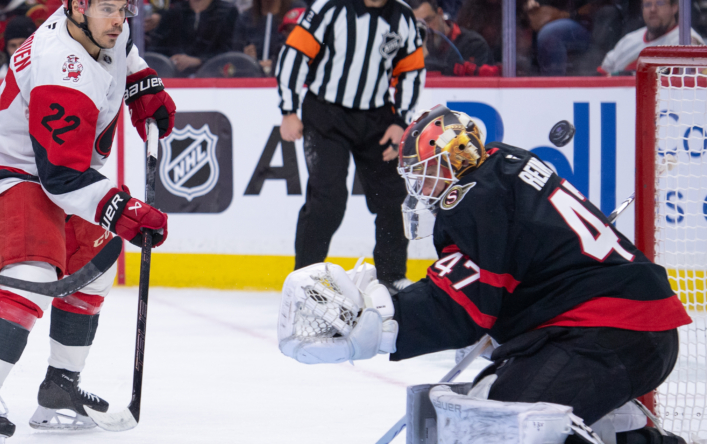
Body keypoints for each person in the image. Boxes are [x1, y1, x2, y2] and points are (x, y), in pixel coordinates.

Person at [277, 106, 691, 443]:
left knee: (507, 426)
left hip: (608, 331)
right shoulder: (505, 164)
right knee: (493, 401)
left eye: (426, 170)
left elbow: (461, 306)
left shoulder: (475, 195)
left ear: (455, 156)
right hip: (617, 329)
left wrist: (386, 320)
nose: (420, 186)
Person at [0, 0, 176, 442]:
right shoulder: (59, 68)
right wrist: (122, 210)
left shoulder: (103, 27)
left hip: (64, 169)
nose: (120, 19)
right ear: (76, 8)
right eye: (109, 8)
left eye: (125, 7)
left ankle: (59, 390)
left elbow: (124, 52)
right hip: (19, 170)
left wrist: (142, 84)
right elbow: (62, 178)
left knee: (95, 271)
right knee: (32, 272)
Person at [276, 0, 425, 294]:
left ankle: (391, 277)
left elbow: (411, 70)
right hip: (326, 114)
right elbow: (294, 53)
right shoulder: (330, 6)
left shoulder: (403, 15)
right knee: (327, 200)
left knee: (394, 198)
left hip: (378, 118)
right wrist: (288, 110)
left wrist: (401, 121)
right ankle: (304, 279)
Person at [599, 0, 704, 75]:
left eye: (660, 3)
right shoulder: (628, 40)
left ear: (674, 7)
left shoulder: (686, 39)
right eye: (647, 4)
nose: (653, 9)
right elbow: (602, 75)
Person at [148, 0, 239, 76]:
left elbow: (231, 52)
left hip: (214, 80)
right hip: (175, 79)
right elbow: (156, 50)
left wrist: (200, 61)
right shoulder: (174, 12)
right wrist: (172, 60)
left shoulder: (228, 12)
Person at [409, 0, 499, 76]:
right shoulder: (408, 46)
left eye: (428, 20)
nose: (426, 28)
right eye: (417, 25)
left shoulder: (473, 44)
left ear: (440, 13)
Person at [232, 0, 304, 76]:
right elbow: (235, 59)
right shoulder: (245, 18)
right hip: (254, 79)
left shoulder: (296, 11)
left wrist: (275, 64)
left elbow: (304, 50)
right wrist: (249, 60)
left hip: (287, 75)